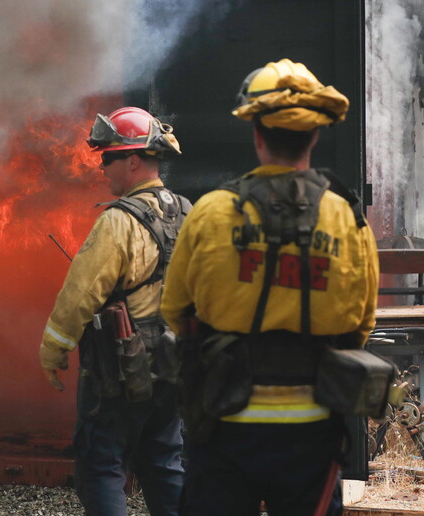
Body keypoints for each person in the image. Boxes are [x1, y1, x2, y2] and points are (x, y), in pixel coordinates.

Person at [160, 58, 379, 515]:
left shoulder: (211, 212)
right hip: (315, 427)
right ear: (315, 135)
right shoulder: (348, 219)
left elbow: (175, 310)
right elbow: (360, 325)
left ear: (257, 135)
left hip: (223, 418)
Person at [39, 106, 189, 516]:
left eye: (109, 158)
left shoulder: (117, 222)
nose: (103, 168)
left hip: (119, 371)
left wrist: (53, 351)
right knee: (163, 462)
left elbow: (80, 295)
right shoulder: (189, 214)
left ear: (134, 160)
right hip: (173, 365)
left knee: (101, 465)